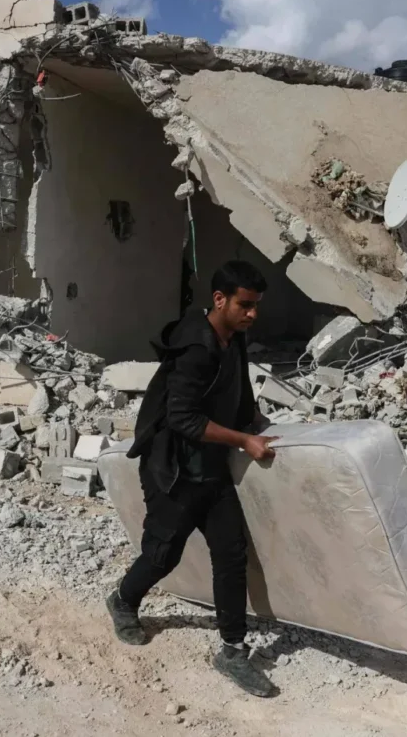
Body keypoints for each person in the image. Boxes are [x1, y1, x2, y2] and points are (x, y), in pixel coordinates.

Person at [105, 260, 279, 698]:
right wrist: (244, 440)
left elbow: (238, 388)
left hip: (211, 467)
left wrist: (253, 420)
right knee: (163, 554)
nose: (252, 314)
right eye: (245, 304)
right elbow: (183, 418)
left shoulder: (234, 336)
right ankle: (123, 600)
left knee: (231, 554)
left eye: (256, 305)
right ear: (220, 300)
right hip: (173, 469)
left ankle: (232, 650)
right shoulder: (195, 347)